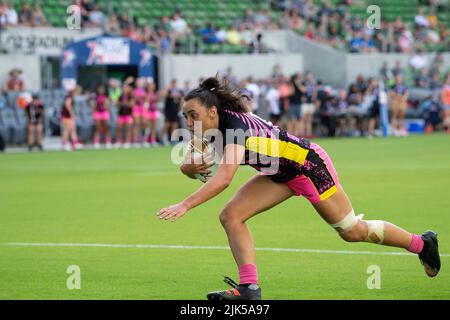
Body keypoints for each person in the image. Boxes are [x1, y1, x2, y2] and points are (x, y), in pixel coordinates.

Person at [157, 76, 441, 300]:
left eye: (193, 115)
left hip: (309, 167)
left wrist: (185, 204)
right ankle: (249, 290)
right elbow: (193, 162)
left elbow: (223, 179)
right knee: (231, 216)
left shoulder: (234, 128)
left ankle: (422, 244)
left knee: (352, 231)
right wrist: (187, 168)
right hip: (278, 174)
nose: (188, 122)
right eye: (185, 116)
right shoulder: (209, 127)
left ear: (212, 111)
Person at [161, 79, 182, 145]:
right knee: (167, 125)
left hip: (175, 111)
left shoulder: (178, 91)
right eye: (173, 83)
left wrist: (180, 109)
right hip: (168, 111)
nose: (174, 85)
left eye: (175, 83)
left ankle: (173, 140)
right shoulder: (169, 90)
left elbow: (181, 99)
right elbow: (164, 95)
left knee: (175, 125)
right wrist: (168, 88)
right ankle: (161, 138)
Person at [145, 82, 160, 146]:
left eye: (153, 86)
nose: (152, 87)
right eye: (151, 86)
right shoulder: (146, 94)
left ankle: (153, 140)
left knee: (154, 127)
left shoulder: (155, 94)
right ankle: (145, 140)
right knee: (148, 127)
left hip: (154, 111)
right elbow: (146, 103)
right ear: (148, 87)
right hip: (148, 112)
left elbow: (157, 102)